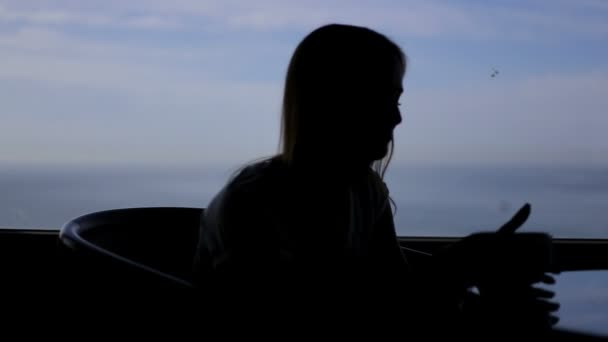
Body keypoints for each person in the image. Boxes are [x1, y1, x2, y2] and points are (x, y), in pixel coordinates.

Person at [193, 23, 559, 335]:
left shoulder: (364, 188)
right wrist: (459, 266)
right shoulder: (254, 202)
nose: (397, 119)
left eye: (397, 102)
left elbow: (393, 293)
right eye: (383, 99)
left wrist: (475, 285)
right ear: (337, 102)